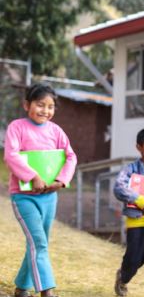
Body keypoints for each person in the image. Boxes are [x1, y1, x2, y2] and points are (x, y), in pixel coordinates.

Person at [4, 83, 77, 297]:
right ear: (27, 105)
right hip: (24, 197)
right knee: (39, 243)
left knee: (37, 244)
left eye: (50, 106)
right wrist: (32, 176)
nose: (45, 110)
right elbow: (11, 155)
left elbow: (70, 156)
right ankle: (47, 290)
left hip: (49, 197)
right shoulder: (16, 127)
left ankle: (21, 287)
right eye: (40, 104)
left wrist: (61, 180)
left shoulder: (56, 131)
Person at [113, 127, 144, 297]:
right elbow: (119, 187)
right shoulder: (130, 169)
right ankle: (123, 278)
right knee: (133, 261)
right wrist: (141, 201)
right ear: (139, 147)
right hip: (137, 223)